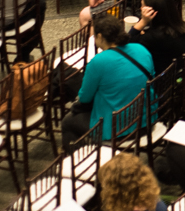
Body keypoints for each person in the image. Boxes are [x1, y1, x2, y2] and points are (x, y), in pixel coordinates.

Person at [62, 15, 155, 149]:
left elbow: (85, 98)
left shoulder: (98, 61)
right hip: (146, 119)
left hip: (119, 129)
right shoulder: (141, 49)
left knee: (68, 122)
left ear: (99, 36)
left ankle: (79, 165)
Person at [125, 0, 185, 80]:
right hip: (182, 76)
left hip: (162, 84)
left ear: (152, 12)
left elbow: (127, 45)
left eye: (142, 6)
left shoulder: (154, 37)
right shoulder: (180, 26)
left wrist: (143, 22)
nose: (140, 9)